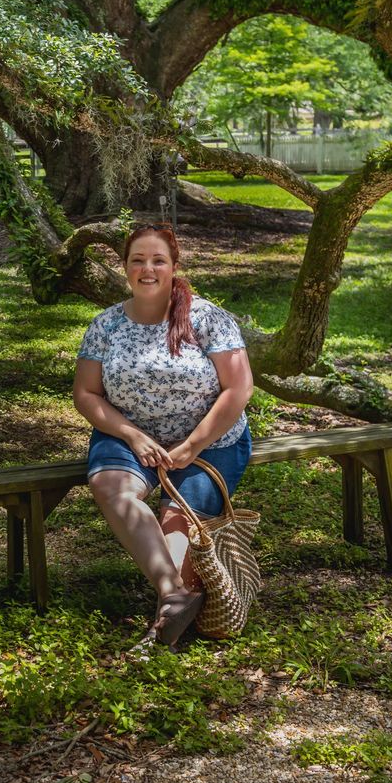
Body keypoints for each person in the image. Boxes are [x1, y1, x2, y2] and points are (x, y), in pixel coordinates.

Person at [73, 223, 255, 651]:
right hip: (128, 438)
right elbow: (86, 393)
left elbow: (238, 389)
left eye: (158, 260)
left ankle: (162, 629)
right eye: (137, 260)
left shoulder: (208, 318)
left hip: (211, 443)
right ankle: (174, 595)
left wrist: (192, 445)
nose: (147, 268)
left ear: (174, 266)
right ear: (124, 267)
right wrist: (131, 435)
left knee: (178, 523)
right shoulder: (106, 325)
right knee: (112, 488)